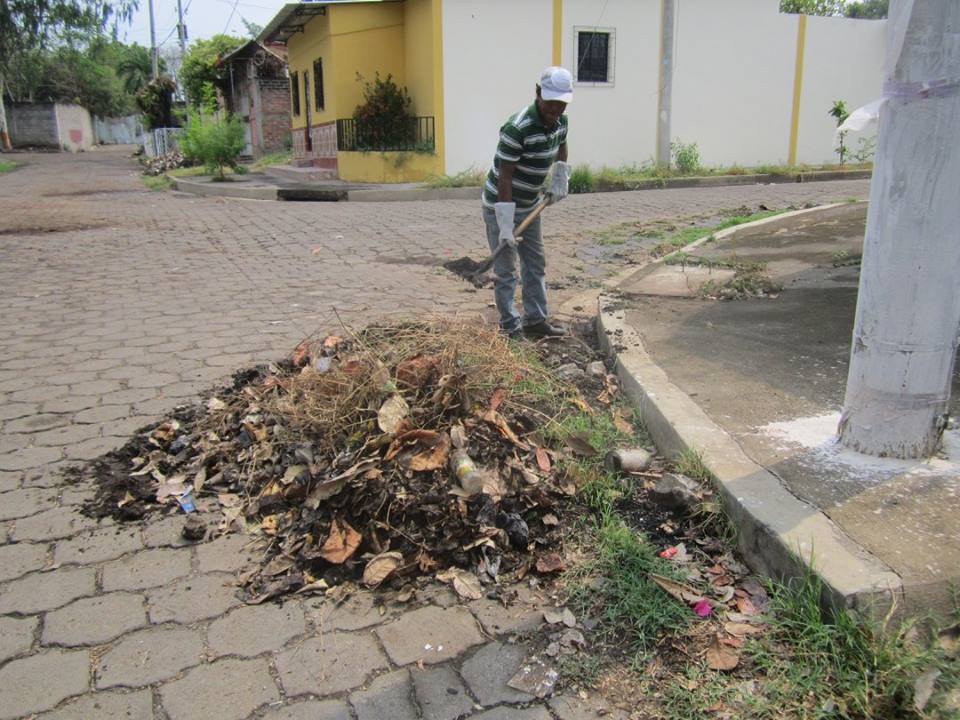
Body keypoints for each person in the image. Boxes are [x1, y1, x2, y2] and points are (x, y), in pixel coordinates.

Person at [482, 66, 572, 339]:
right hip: (501, 204)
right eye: (550, 102)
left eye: (561, 103)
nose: (554, 109)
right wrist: (506, 226)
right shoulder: (516, 128)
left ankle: (536, 320)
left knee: (535, 263)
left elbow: (562, 145)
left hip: (532, 205)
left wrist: (559, 179)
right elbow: (504, 178)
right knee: (506, 270)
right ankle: (510, 326)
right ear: (538, 94)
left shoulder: (561, 121)